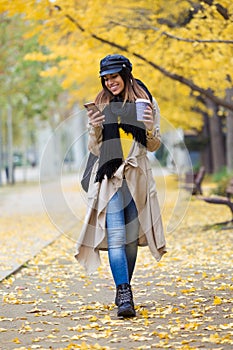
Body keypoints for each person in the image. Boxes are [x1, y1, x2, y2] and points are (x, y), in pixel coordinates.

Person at [75, 54, 166, 318]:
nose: (109, 82)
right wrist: (94, 129)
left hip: (136, 177)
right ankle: (124, 292)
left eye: (113, 76)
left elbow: (153, 145)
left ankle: (123, 287)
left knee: (129, 242)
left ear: (126, 74)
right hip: (110, 177)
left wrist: (148, 127)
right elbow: (94, 149)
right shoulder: (101, 103)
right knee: (115, 235)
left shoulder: (145, 102)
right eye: (105, 78)